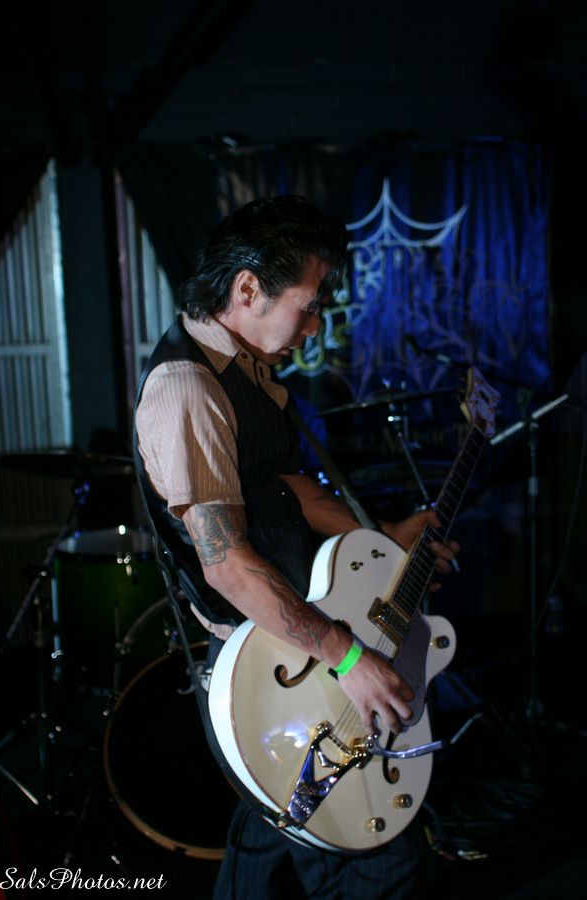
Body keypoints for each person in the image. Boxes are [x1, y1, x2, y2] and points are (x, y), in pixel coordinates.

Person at [134, 195, 459, 899]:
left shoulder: (246, 370)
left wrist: (383, 539)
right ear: (248, 288)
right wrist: (350, 658)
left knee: (267, 841)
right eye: (309, 307)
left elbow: (290, 491)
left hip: (297, 650)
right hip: (271, 662)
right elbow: (228, 567)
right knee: (377, 858)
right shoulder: (187, 388)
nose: (315, 328)